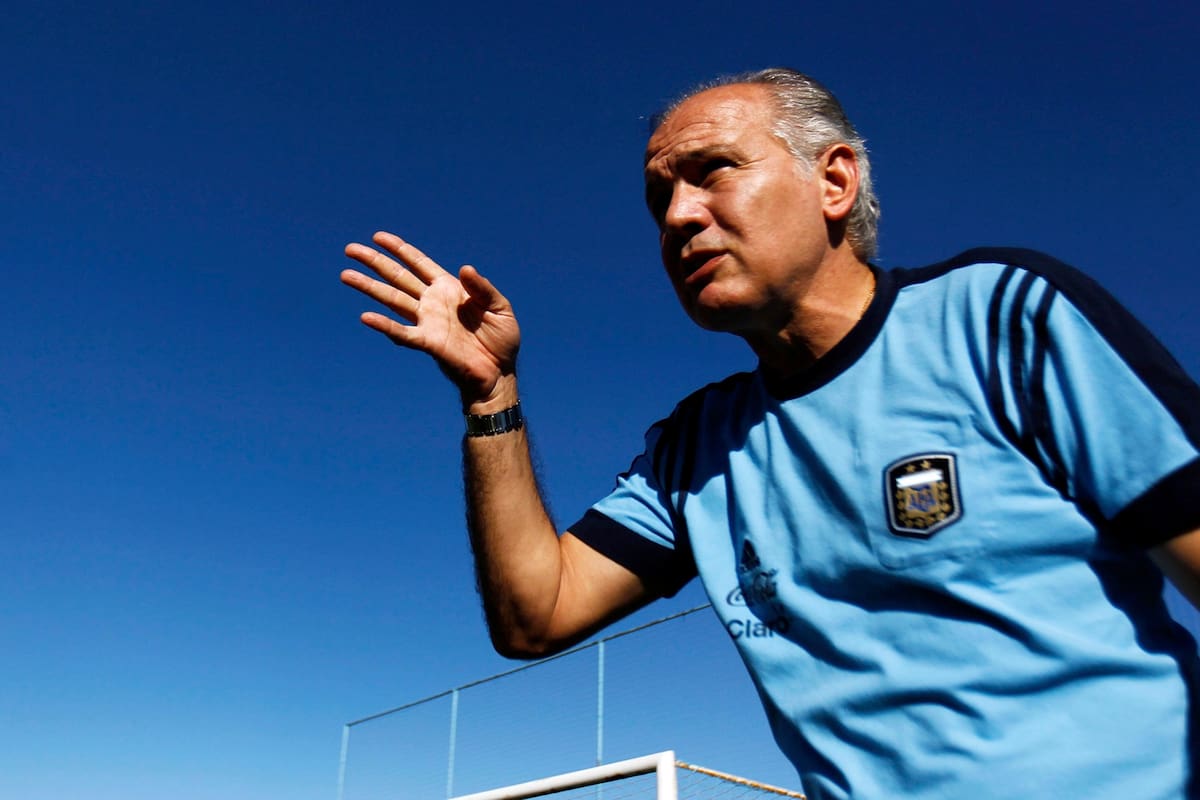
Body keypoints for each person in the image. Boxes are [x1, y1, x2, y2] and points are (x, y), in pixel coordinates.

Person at [341, 68, 1200, 799]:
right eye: (659, 198)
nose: (678, 216)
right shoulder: (695, 449)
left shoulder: (1001, 319)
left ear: (835, 182)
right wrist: (492, 395)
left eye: (713, 171)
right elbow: (537, 615)